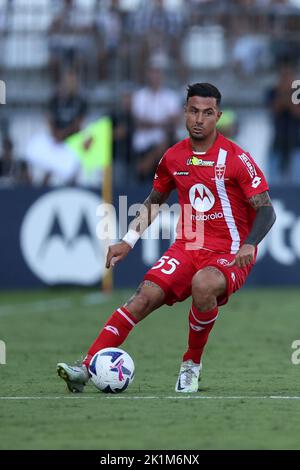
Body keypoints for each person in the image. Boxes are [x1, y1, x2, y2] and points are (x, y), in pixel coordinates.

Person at [57, 83, 276, 393]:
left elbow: (267, 210)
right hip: (187, 248)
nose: (200, 119)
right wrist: (127, 240)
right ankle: (86, 366)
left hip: (228, 252)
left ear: (219, 116)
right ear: (184, 113)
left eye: (208, 113)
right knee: (142, 298)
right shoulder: (173, 158)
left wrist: (250, 243)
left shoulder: (237, 158)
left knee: (203, 284)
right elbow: (154, 201)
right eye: (194, 111)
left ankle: (191, 365)